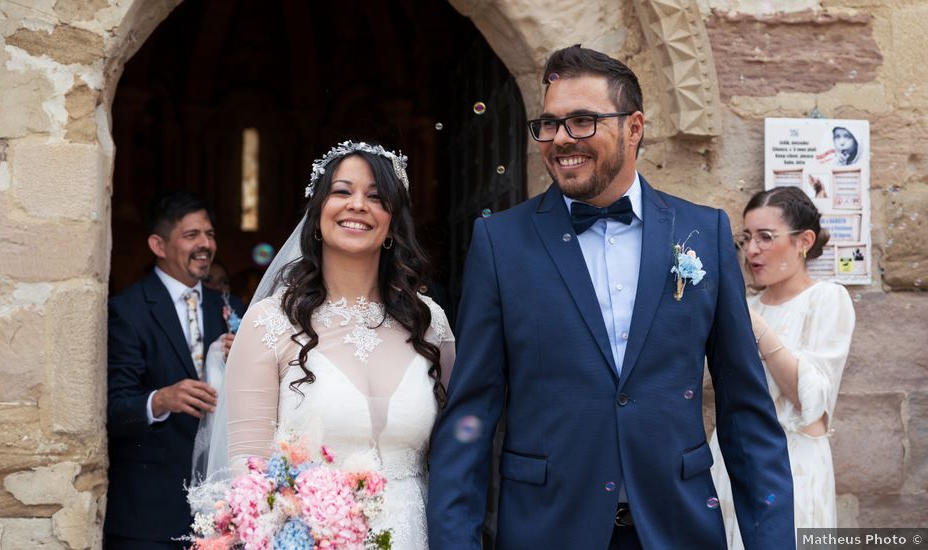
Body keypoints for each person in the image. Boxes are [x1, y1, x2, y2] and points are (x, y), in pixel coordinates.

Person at [427, 45, 794, 549]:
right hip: (548, 529)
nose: (560, 140)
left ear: (634, 127)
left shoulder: (702, 232)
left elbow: (747, 414)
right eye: (549, 124)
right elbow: (470, 416)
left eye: (581, 121)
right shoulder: (500, 244)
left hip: (677, 526)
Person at [221, 140, 455, 547]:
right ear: (316, 216)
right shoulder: (269, 323)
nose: (358, 205)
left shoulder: (429, 322)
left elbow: (455, 456)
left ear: (392, 224)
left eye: (376, 197)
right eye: (342, 191)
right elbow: (249, 471)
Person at [710, 186, 856, 548]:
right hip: (730, 459)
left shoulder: (827, 298)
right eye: (747, 238)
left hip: (791, 465)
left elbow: (812, 403)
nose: (752, 250)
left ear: (804, 241)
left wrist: (754, 325)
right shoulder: (747, 305)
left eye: (765, 237)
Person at [105, 191, 235, 548]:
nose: (206, 245)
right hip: (148, 514)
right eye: (192, 235)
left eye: (209, 235)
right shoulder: (127, 310)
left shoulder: (230, 307)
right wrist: (160, 400)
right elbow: (112, 410)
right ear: (158, 245)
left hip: (219, 510)